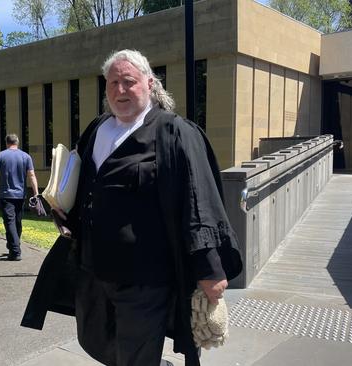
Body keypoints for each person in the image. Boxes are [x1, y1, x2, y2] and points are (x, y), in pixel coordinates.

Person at [31, 49, 242, 366]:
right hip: (93, 269)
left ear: (150, 83)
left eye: (127, 81)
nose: (119, 90)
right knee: (93, 340)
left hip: (145, 278)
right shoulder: (97, 129)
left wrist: (209, 269)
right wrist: (63, 208)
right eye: (112, 83)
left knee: (134, 356)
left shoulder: (174, 134)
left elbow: (199, 203)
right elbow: (82, 185)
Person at [0, 134, 39, 261]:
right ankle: (13, 245)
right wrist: (36, 194)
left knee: (10, 222)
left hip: (6, 195)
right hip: (21, 195)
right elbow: (32, 176)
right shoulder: (26, 156)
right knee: (17, 222)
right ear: (17, 143)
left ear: (7, 143)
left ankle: (15, 251)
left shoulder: (1, 156)